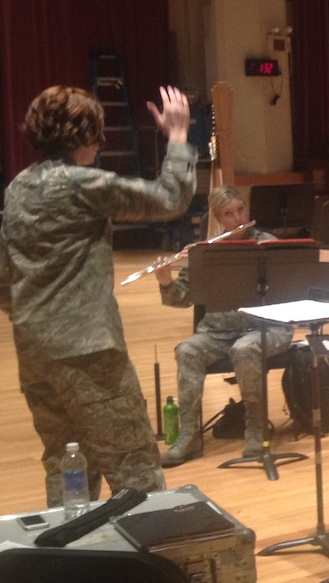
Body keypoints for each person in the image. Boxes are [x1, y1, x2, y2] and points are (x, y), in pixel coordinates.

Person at [1, 85, 196, 506]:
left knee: (67, 466)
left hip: (35, 353)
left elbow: (4, 277)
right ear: (80, 135)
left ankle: (71, 566)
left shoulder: (18, 188)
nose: (100, 143)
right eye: (95, 134)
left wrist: (34, 320)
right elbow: (170, 197)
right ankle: (148, 571)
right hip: (89, 352)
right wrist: (178, 136)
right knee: (136, 469)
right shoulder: (80, 184)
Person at [155, 184, 295, 466]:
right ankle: (190, 436)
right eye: (229, 214)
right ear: (219, 219)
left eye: (241, 210)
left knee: (245, 349)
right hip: (218, 332)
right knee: (187, 350)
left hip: (266, 329)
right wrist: (165, 280)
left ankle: (255, 431)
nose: (238, 219)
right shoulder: (206, 250)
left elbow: (291, 288)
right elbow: (182, 297)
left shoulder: (267, 243)